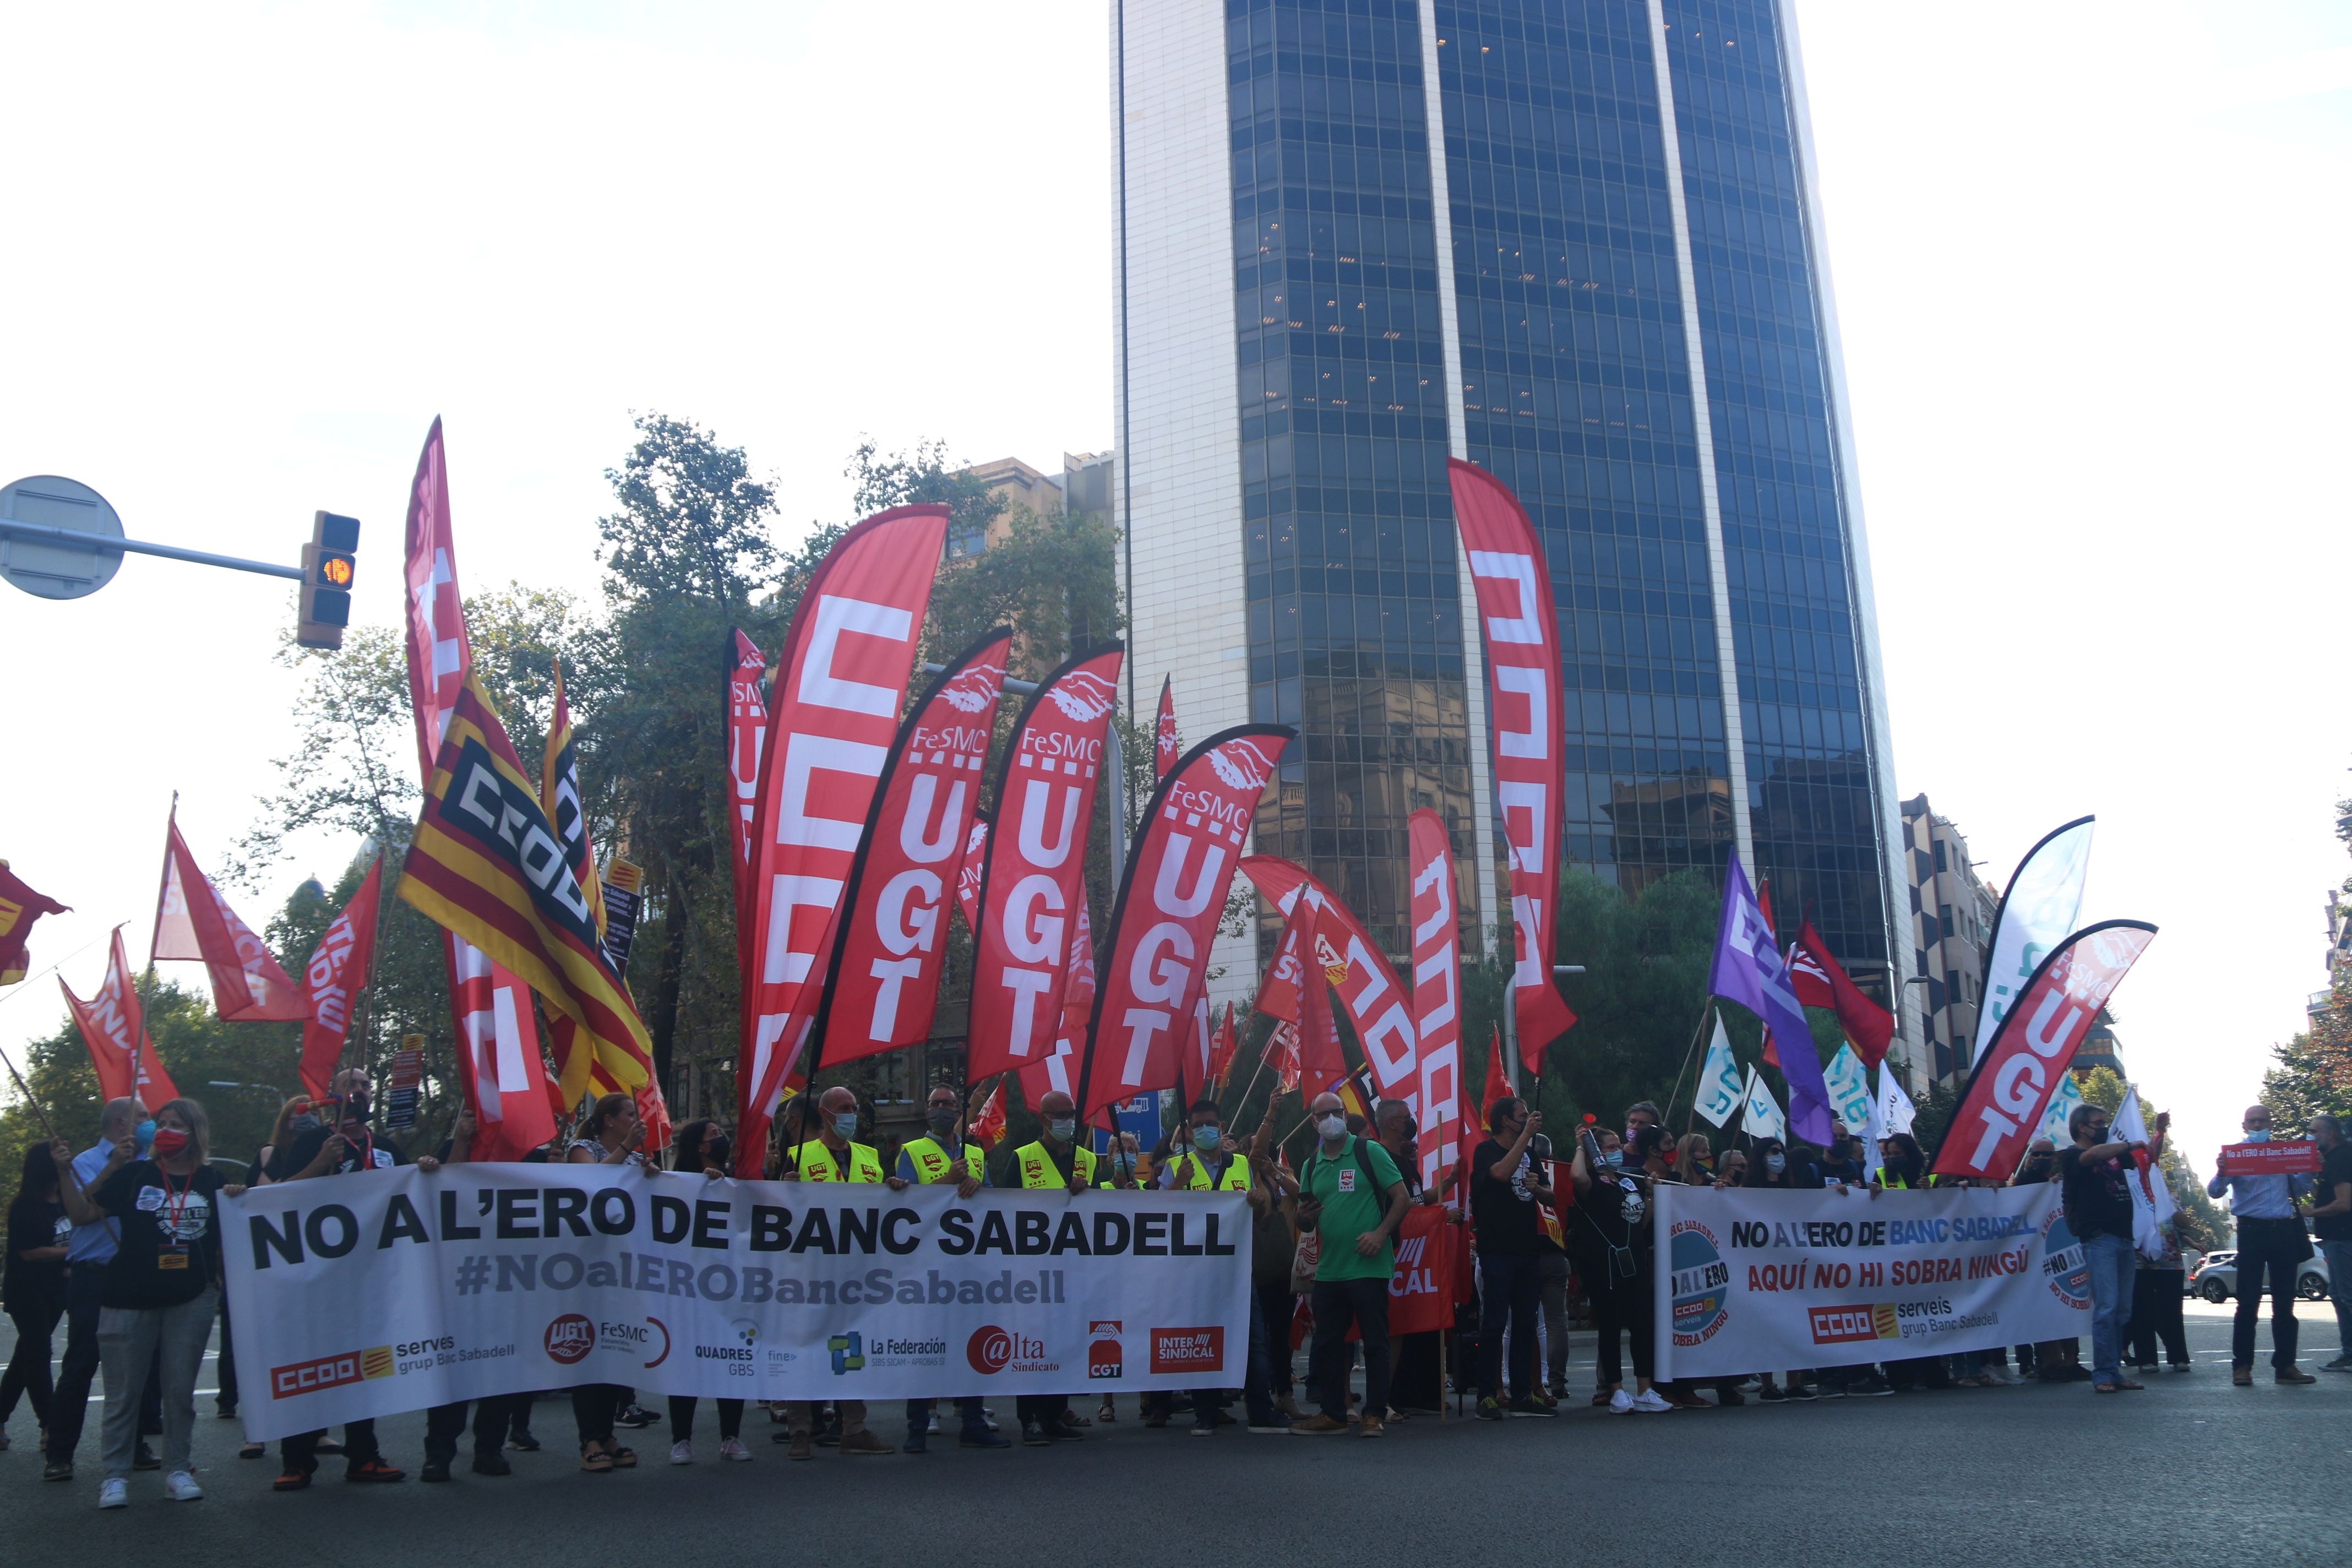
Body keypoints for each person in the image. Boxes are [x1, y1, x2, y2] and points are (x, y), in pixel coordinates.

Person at [53, 1097, 244, 1509]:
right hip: (127, 1298)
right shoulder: (136, 1174)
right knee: (123, 1395)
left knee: (178, 1392)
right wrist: (63, 1171)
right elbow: (82, 1214)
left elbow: (233, 1240)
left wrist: (238, 1197)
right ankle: (115, 1477)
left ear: (196, 1133)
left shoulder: (213, 1179)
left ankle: (177, 1470)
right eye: (162, 1123)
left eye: (177, 1124)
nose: (166, 1130)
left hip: (191, 1299)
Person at [268, 1082, 433, 1488]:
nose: (355, 1094)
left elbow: (412, 1195)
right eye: (347, 1087)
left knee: (365, 1366)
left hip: (372, 1275)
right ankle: (297, 1459)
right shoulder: (313, 1141)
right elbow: (282, 1196)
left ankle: (364, 1455)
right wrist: (321, 1161)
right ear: (331, 1098)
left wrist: (426, 1170)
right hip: (319, 1274)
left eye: (361, 1087)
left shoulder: (387, 1148)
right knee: (313, 1363)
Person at [771, 1085, 895, 1456]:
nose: (851, 1115)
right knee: (804, 1349)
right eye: (844, 1108)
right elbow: (776, 1213)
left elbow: (882, 1208)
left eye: (855, 1108)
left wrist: (895, 1188)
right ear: (825, 1114)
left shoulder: (870, 1157)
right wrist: (782, 1190)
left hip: (857, 1275)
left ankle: (853, 1428)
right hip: (809, 1273)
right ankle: (800, 1432)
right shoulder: (797, 1156)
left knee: (851, 1352)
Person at [42, 1098, 159, 1482]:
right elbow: (80, 1211)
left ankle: (135, 1444)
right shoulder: (86, 1161)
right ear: (122, 1124)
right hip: (95, 1276)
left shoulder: (152, 1163)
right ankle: (59, 1452)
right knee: (81, 1364)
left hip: (136, 1273)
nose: (150, 1122)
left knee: (138, 1366)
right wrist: (114, 1168)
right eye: (143, 1117)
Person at [895, 1086, 1008, 1453]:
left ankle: (972, 1422)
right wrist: (947, 1180)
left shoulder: (975, 1151)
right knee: (924, 1347)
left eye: (948, 1104)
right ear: (928, 1111)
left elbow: (991, 1202)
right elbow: (906, 1206)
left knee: (971, 1344)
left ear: (959, 1109)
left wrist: (977, 1185)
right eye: (935, 1104)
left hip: (972, 1266)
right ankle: (916, 1427)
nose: (941, 1109)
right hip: (929, 1270)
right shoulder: (911, 1151)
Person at [1292, 1090, 1409, 1437]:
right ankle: (1334, 1413)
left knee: (1375, 1343)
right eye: (1323, 1114)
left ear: (1345, 1114)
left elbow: (1402, 1198)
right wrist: (1302, 1217)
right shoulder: (1311, 1164)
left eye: (1336, 1112)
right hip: (1329, 1269)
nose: (1331, 1119)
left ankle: (1374, 1415)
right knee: (1327, 1344)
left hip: (1368, 1267)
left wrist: (1381, 1233)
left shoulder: (1368, 1151)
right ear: (1314, 1122)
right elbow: (1306, 1219)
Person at [1006, 1090, 1096, 1445]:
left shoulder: (1087, 1159)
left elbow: (1104, 1206)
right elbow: (1003, 1211)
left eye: (1071, 1114)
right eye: (1058, 1115)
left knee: (1063, 1343)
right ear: (1043, 1119)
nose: (1066, 1121)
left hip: (1073, 1269)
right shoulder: (1021, 1157)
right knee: (1030, 1345)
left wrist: (1088, 1191)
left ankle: (1056, 1414)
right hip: (1032, 1272)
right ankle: (1028, 1420)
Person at [2207, 1103, 2317, 1385]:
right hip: (2251, 1232)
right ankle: (2242, 1367)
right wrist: (2222, 1171)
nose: (2257, 1126)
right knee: (2247, 1302)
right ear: (2244, 1126)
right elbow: (2215, 1191)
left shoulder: (2282, 1152)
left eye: (2262, 1121)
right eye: (2252, 1122)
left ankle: (2286, 1366)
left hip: (2282, 1232)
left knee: (2285, 1303)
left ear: (2271, 1123)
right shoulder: (2236, 1154)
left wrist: (2311, 1166)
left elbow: (2300, 1187)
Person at [1569, 1128, 1668, 1412]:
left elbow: (1643, 1221)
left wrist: (1649, 1195)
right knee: (1610, 1326)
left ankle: (1645, 1388)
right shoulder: (1592, 1183)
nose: (1617, 1151)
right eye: (1609, 1147)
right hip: (1604, 1266)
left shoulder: (1628, 1180)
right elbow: (1576, 1177)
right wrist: (1581, 1146)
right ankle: (1616, 1390)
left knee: (1641, 1325)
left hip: (1634, 1261)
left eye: (1618, 1147)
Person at [2057, 1102, 2152, 1392]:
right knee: (2106, 1307)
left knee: (2122, 1310)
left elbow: (2147, 1161)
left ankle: (2114, 1370)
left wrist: (2157, 1135)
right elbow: (2093, 1155)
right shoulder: (2073, 1156)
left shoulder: (2114, 1156)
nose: (2104, 1128)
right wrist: (2129, 1144)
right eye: (2099, 1123)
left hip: (2124, 1238)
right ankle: (2103, 1373)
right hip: (2100, 1240)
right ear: (2081, 1128)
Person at [1470, 1095, 1553, 1419]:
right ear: (1506, 1120)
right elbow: (1501, 1174)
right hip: (1497, 1251)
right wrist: (1524, 1138)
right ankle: (1487, 1395)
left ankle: (1522, 1393)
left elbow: (1550, 1194)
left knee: (1525, 1323)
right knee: (1494, 1324)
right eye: (1521, 1116)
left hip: (1527, 1250)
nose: (1527, 1120)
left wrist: (1537, 1189)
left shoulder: (1530, 1154)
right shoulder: (1486, 1150)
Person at [1374, 1098, 1450, 1417]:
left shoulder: (1405, 1160)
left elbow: (1418, 1198)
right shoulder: (1380, 1158)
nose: (1411, 1122)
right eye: (1407, 1118)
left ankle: (1403, 1394)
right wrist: (1435, 1216)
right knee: (1388, 1329)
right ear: (1392, 1123)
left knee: (1408, 1328)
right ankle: (1378, 1399)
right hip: (1391, 1255)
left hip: (1414, 1260)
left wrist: (1453, 1182)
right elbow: (1402, 1206)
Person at [3, 1141, 69, 1455]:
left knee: (25, 1357)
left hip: (56, 1290)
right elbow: (30, 1253)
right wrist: (72, 1254)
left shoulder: (68, 1201)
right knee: (40, 1352)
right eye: (60, 1157)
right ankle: (49, 1424)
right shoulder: (24, 1206)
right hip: (25, 1290)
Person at [1744, 1136, 1815, 1402]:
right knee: (1767, 1326)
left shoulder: (1792, 1188)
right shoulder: (1748, 1189)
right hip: (1761, 1269)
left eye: (1782, 1152)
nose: (1779, 1157)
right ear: (1761, 1156)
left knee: (1795, 1324)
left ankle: (1795, 1382)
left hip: (1790, 1268)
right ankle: (1767, 1384)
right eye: (1774, 1152)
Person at [2301, 1113, 2352, 1372]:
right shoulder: (2332, 1159)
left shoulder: (2342, 1157)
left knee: (2347, 1295)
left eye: (2314, 1132)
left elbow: (2344, 1203)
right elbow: (2325, 1194)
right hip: (2336, 1238)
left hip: (2344, 1238)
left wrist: (2313, 1213)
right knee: (2339, 1295)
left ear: (2329, 1134)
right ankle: (2349, 1354)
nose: (2310, 1136)